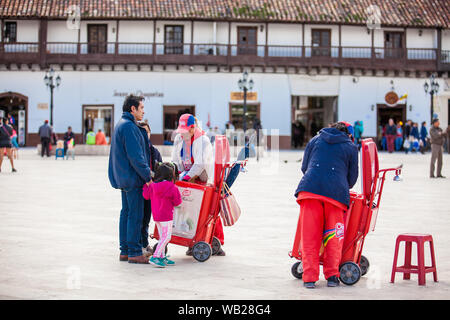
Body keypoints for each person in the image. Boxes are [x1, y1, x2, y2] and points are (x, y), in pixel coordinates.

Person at [294, 122, 358, 289]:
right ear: (349, 135)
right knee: (333, 237)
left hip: (309, 191)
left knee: (310, 236)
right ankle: (332, 277)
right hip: (335, 196)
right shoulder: (350, 147)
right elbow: (352, 178)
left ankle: (309, 278)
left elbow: (304, 167)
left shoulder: (315, 140)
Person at [172, 113, 226, 256]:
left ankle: (216, 241)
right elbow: (176, 160)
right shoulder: (179, 139)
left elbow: (201, 163)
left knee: (209, 211)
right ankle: (191, 240)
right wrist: (177, 173)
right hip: (185, 178)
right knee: (188, 211)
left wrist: (188, 177)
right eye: (180, 131)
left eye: (185, 131)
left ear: (192, 128)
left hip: (201, 178)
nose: (182, 134)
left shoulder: (203, 141)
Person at [108, 94, 153, 264]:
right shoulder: (129, 127)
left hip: (124, 178)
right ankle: (134, 251)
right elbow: (136, 157)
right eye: (141, 108)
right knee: (135, 214)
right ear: (132, 109)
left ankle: (125, 250)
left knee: (126, 213)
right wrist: (148, 176)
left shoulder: (121, 124)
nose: (143, 111)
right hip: (133, 179)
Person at [143, 162, 182, 267]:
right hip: (167, 216)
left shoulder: (153, 186)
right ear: (171, 176)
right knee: (166, 237)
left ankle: (161, 257)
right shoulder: (172, 187)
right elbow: (178, 202)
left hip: (156, 216)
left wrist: (146, 186)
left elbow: (146, 196)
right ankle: (155, 256)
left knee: (162, 237)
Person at [138, 121, 162, 257]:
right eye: (142, 131)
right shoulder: (137, 151)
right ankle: (138, 244)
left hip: (152, 190)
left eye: (146, 131)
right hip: (140, 189)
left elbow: (160, 170)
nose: (145, 134)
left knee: (147, 217)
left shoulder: (154, 151)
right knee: (139, 218)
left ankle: (144, 243)